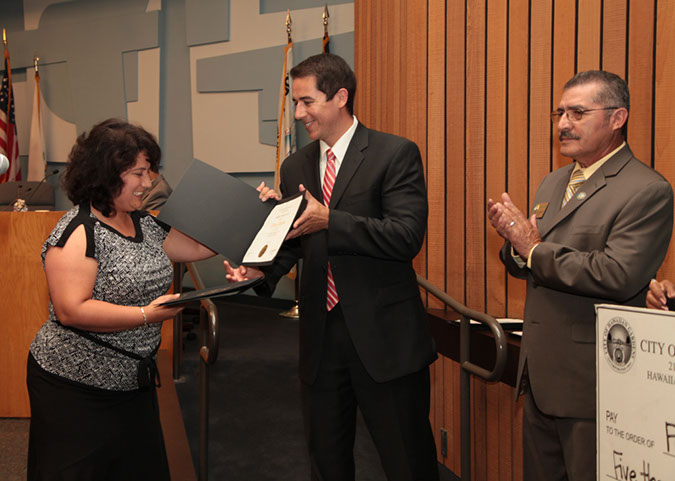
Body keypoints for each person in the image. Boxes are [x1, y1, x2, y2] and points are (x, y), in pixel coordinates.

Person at [225, 53, 439, 480]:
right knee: (326, 459)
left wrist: (331, 220)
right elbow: (295, 239)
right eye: (296, 101)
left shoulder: (394, 153)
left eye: (308, 102)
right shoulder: (296, 165)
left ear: (341, 97)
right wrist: (260, 270)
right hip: (320, 339)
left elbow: (405, 237)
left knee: (406, 460)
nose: (299, 113)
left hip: (384, 339)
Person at [487, 70, 673, 481]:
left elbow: (618, 273)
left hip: (593, 383)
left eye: (577, 113)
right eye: (560, 113)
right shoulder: (554, 182)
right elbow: (529, 260)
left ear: (617, 117)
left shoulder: (646, 190)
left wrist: (532, 248)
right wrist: (517, 248)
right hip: (538, 374)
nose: (563, 124)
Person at [27, 119, 216, 481]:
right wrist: (148, 314)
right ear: (106, 175)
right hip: (74, 388)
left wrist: (254, 218)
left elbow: (196, 247)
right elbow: (71, 310)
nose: (148, 183)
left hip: (131, 383)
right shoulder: (77, 231)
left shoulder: (144, 223)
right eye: (138, 173)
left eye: (150, 172)